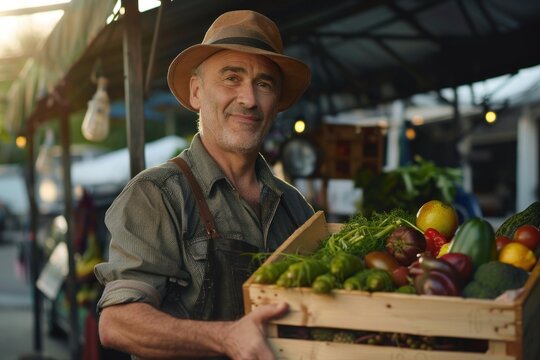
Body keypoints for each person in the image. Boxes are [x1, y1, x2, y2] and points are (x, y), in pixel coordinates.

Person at [95, 10, 314, 359]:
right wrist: (227, 338)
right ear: (197, 92)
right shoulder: (158, 195)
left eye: (264, 84)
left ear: (276, 106)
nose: (249, 99)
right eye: (232, 77)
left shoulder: (296, 207)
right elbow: (119, 322)